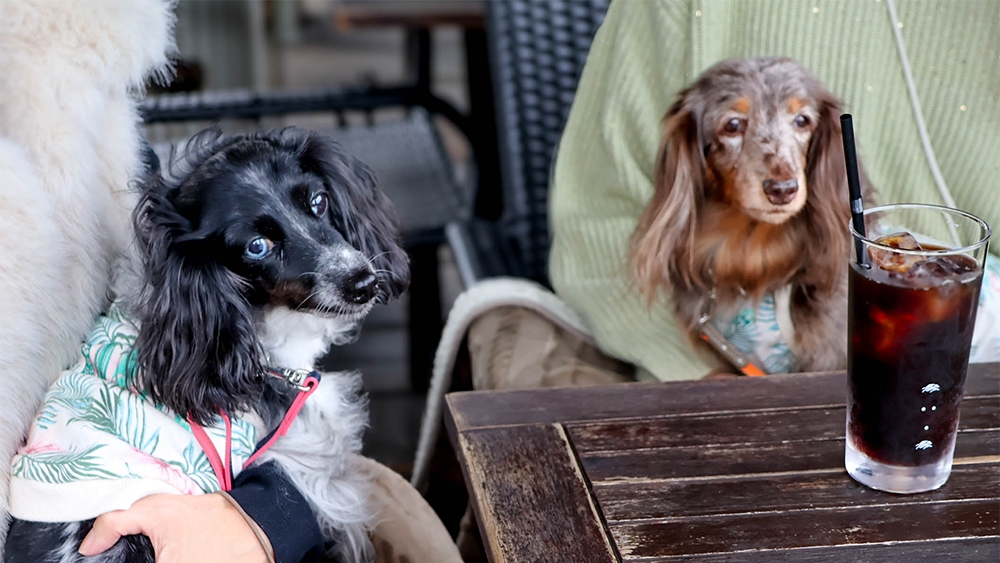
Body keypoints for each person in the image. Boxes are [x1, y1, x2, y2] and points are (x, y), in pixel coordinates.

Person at [472, 0, 999, 391]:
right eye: (733, 127)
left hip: (940, 371)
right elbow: (599, 227)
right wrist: (703, 379)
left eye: (798, 123)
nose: (780, 169)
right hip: (716, 380)